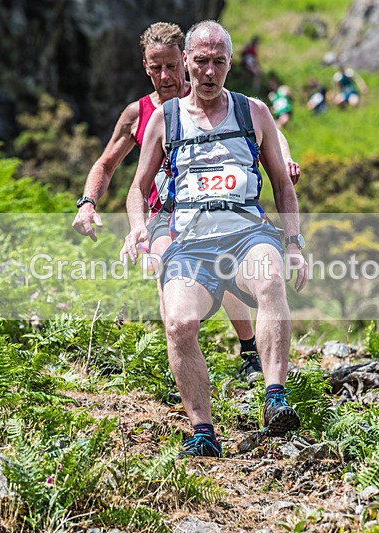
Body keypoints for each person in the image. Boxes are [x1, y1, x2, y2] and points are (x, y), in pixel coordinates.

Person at [71, 22, 301, 385]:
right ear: (145, 67)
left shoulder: (213, 94)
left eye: (171, 66)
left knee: (233, 256)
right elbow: (106, 164)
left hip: (217, 207)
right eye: (154, 68)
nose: (164, 76)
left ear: (184, 61)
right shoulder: (141, 114)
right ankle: (180, 361)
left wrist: (284, 160)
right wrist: (88, 203)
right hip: (163, 212)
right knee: (167, 270)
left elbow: (269, 129)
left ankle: (250, 350)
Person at [122, 20, 309, 458]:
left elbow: (282, 183)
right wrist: (138, 227)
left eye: (218, 63)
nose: (209, 72)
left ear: (229, 64)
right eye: (201, 62)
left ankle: (275, 397)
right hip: (191, 243)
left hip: (247, 233)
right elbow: (137, 187)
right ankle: (203, 432)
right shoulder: (165, 120)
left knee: (269, 281)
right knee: (179, 323)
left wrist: (295, 242)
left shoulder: (253, 111)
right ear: (187, 62)